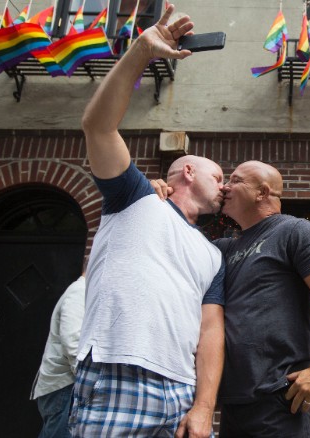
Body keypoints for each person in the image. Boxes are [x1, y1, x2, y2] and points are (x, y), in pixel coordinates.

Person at [72, 7, 225, 438]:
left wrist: (203, 406)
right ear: (188, 173)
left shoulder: (212, 254)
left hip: (182, 391)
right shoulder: (135, 198)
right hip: (117, 371)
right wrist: (141, 51)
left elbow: (212, 330)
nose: (225, 185)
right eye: (218, 176)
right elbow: (98, 127)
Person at [213, 160, 310, 437]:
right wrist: (165, 200)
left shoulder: (293, 230)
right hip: (234, 400)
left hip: (281, 397)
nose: (225, 186)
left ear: (262, 192)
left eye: (236, 180)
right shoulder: (225, 248)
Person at [31, 261, 87, 438]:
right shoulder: (81, 291)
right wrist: (89, 381)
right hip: (65, 386)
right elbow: (73, 340)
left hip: (63, 386)